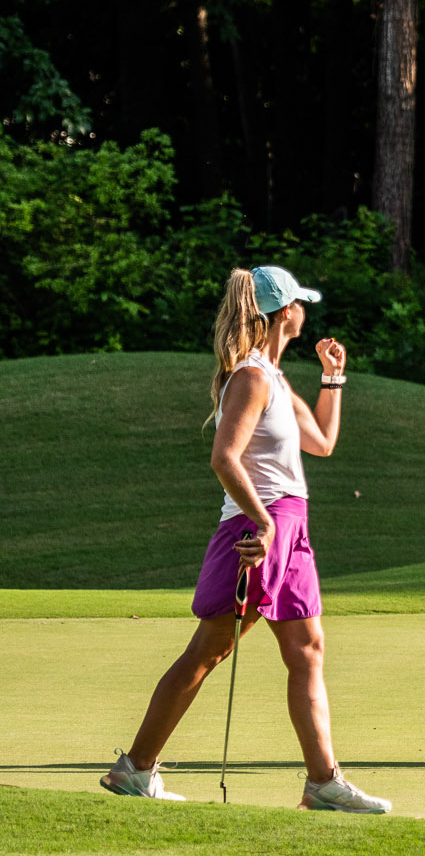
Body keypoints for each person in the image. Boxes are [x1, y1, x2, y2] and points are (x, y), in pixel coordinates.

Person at [99, 266, 392, 813]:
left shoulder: (275, 378)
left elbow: (322, 442)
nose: (305, 311)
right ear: (284, 314)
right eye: (300, 304)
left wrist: (333, 379)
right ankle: (135, 769)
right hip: (258, 528)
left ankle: (323, 784)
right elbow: (224, 458)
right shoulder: (252, 378)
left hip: (288, 526)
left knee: (307, 650)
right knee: (208, 651)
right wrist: (263, 521)